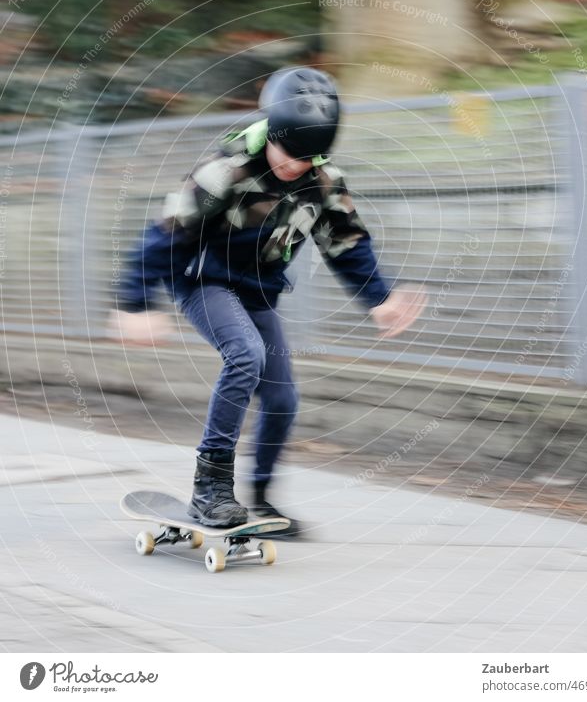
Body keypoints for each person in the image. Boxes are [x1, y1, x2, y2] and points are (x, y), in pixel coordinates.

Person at [110, 67, 425, 536]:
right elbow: (165, 235)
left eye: (306, 159)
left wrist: (378, 298)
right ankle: (210, 489)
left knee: (282, 397)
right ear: (270, 133)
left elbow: (345, 241)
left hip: (257, 292)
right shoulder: (227, 168)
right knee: (246, 355)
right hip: (203, 281)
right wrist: (135, 303)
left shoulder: (323, 179)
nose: (294, 167)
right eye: (286, 155)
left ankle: (260, 499)